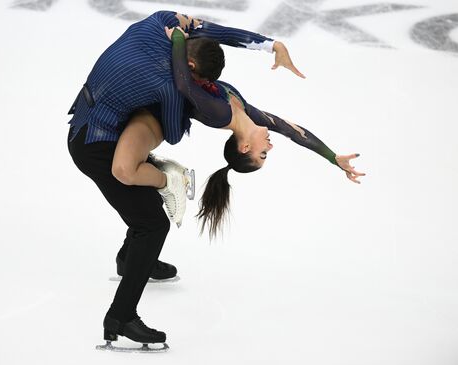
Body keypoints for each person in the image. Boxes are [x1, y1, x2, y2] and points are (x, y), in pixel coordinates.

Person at [67, 11, 300, 348]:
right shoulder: (169, 84)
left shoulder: (160, 20)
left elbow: (209, 29)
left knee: (143, 209)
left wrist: (269, 45)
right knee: (152, 223)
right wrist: (166, 170)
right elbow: (174, 132)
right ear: (191, 70)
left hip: (93, 120)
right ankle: (120, 317)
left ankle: (128, 260)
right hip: (95, 144)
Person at [112, 27, 365, 243]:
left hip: (155, 111)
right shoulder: (245, 112)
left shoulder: (220, 115)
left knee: (125, 168)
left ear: (244, 147)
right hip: (168, 82)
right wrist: (333, 158)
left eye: (263, 154)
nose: (271, 148)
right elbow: (295, 132)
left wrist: (178, 38)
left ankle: (168, 178)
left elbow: (185, 84)